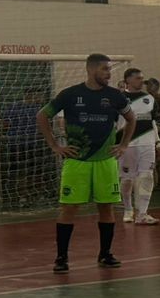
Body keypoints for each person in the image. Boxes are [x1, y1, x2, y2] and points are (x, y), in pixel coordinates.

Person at [37, 53, 135, 272]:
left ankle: (105, 254)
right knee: (68, 209)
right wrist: (55, 146)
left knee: (106, 208)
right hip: (77, 161)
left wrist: (124, 145)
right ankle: (61, 258)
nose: (109, 74)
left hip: (105, 161)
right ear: (91, 70)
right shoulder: (70, 94)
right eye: (105, 70)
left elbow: (131, 119)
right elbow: (42, 116)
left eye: (109, 70)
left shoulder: (115, 95)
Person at [118, 66, 160, 224]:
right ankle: (128, 209)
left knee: (146, 176)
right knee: (127, 179)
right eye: (138, 78)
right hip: (127, 144)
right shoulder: (118, 99)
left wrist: (158, 144)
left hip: (147, 144)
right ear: (128, 80)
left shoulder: (150, 99)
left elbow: (153, 123)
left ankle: (142, 214)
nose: (141, 81)